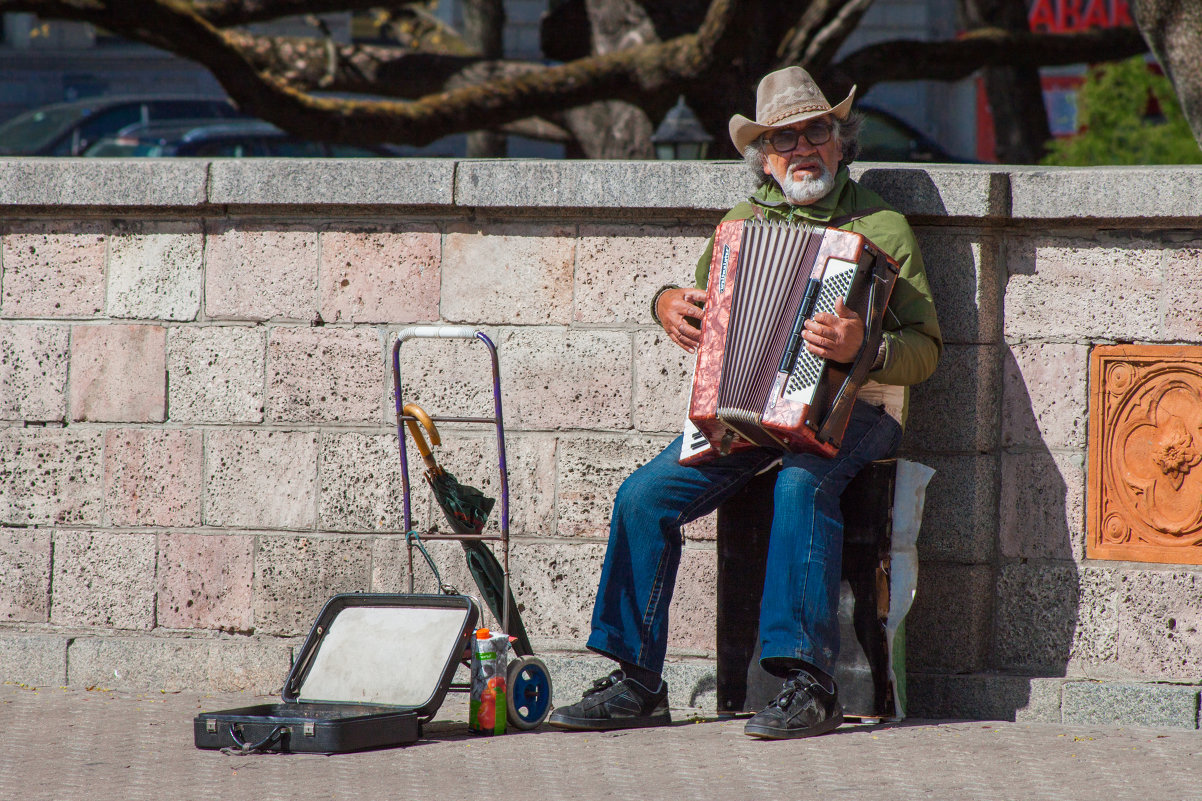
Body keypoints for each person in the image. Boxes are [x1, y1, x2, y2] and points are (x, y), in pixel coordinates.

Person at [548, 66, 941, 739]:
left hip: (858, 409)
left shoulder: (883, 227)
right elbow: (697, 307)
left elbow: (927, 349)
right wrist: (665, 303)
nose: (803, 147)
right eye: (784, 139)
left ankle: (809, 685)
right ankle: (638, 680)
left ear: (841, 139)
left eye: (817, 129)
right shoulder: (740, 224)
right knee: (644, 494)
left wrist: (863, 347)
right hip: (751, 414)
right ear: (764, 156)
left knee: (800, 487)